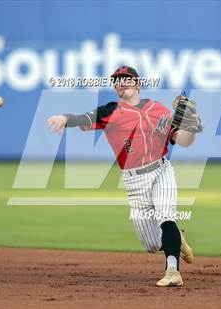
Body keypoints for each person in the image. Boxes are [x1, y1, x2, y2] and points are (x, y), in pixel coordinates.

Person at [47, 66, 202, 287]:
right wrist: (63, 117)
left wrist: (191, 126)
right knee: (150, 243)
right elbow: (81, 118)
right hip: (134, 180)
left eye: (126, 79)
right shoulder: (110, 112)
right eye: (117, 81)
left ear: (137, 84)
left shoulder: (159, 110)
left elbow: (183, 140)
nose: (121, 83)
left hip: (161, 170)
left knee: (166, 217)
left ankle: (172, 271)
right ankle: (177, 241)